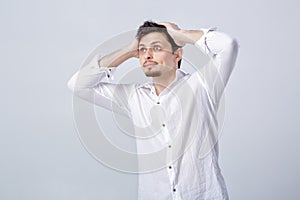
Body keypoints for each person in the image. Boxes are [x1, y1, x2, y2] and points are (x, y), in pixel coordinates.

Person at [68, 21, 239, 200]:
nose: (147, 55)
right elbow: (77, 85)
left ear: (177, 55)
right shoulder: (133, 97)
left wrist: (181, 35)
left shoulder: (202, 86)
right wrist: (128, 50)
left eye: (156, 48)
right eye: (142, 50)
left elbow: (228, 46)